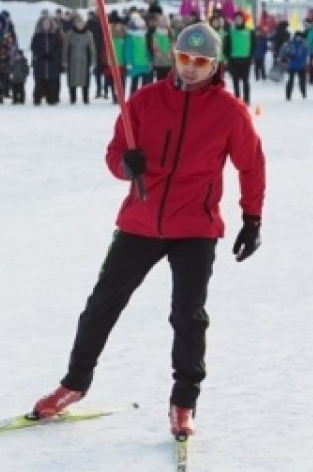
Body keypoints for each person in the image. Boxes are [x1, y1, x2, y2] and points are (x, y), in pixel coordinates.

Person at [32, 22, 266, 440]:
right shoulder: (143, 101)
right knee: (102, 304)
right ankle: (73, 384)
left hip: (196, 227)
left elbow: (252, 164)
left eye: (201, 62)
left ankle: (184, 403)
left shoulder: (230, 112)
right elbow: (114, 153)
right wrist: (126, 165)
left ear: (215, 66)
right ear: (172, 57)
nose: (191, 69)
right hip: (141, 220)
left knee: (188, 316)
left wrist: (253, 219)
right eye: (183, 59)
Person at [280, 31, 309, 101]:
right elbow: (283, 52)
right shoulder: (290, 44)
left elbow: (306, 54)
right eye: (297, 36)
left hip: (301, 65)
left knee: (302, 81)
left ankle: (304, 94)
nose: (298, 38)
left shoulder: (304, 44)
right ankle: (288, 96)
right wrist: (287, 56)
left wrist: (306, 63)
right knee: (290, 81)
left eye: (300, 37)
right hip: (291, 65)